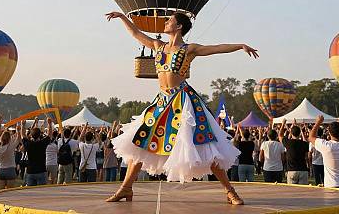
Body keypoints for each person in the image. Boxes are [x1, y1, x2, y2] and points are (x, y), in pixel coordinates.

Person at [105, 11, 258, 205]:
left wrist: (240, 46)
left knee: (205, 147)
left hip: (184, 102)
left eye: (169, 20)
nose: (166, 22)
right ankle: (125, 188)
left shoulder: (189, 49)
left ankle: (230, 191)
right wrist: (122, 17)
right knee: (140, 142)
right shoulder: (157, 45)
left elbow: (215, 48)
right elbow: (136, 34)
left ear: (178, 27)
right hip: (162, 102)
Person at [308, 115, 339, 189]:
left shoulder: (326, 146)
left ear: (329, 132)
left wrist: (318, 123)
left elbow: (311, 137)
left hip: (332, 185)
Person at [22, 117, 53, 186]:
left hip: (30, 171)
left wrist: (23, 125)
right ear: (40, 135)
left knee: (31, 192)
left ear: (31, 136)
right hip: (41, 170)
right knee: (42, 192)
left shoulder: (28, 144)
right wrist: (49, 124)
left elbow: (23, 135)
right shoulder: (42, 143)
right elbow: (50, 135)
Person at [279, 119, 309, 185]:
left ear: (291, 133)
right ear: (299, 133)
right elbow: (306, 143)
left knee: (292, 193)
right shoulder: (304, 144)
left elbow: (280, 136)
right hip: (303, 170)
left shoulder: (288, 143)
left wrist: (283, 124)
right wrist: (301, 130)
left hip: (292, 170)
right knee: (304, 193)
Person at [0, 123, 22, 188]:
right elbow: (18, 139)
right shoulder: (10, 147)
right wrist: (18, 131)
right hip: (10, 169)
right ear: (9, 138)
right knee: (10, 192)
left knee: (1, 191)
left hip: (1, 169)